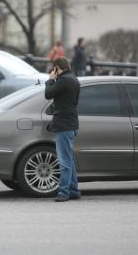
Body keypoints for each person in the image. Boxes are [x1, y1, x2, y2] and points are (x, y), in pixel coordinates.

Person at [45, 57, 81, 202]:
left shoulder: (63, 80)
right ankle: (74, 190)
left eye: (54, 70)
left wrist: (50, 80)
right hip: (72, 124)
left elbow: (48, 94)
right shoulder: (74, 80)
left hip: (64, 125)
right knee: (69, 160)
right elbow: (67, 102)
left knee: (64, 161)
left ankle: (64, 192)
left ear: (57, 68)